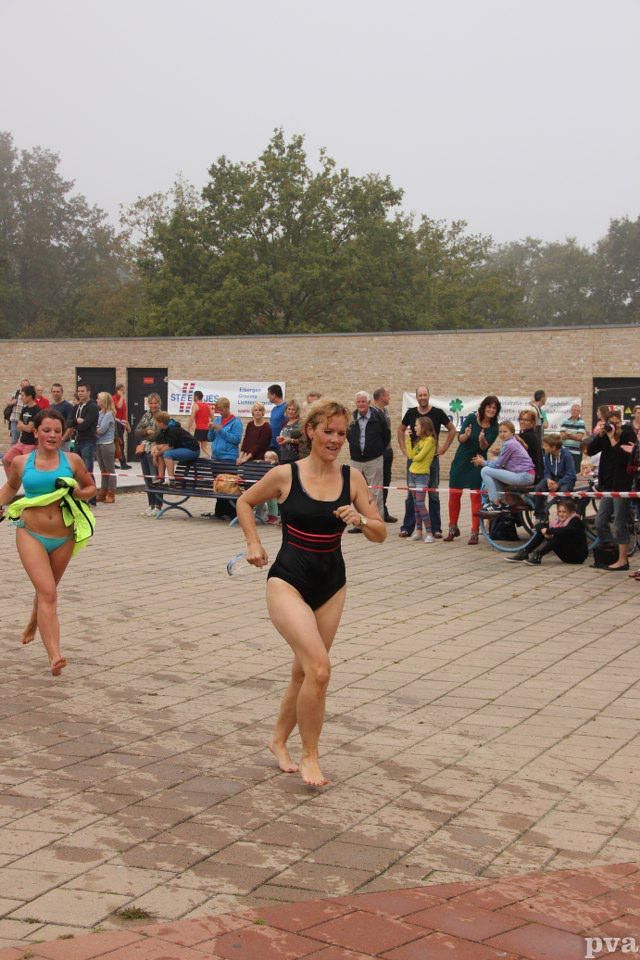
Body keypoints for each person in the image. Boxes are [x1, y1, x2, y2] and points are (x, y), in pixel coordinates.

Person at [235, 398, 386, 787]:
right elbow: (245, 501)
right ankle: (311, 756)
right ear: (311, 432)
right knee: (320, 669)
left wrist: (361, 519)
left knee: (304, 672)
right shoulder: (286, 474)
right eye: (328, 432)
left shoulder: (352, 479)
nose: (335, 440)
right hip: (287, 580)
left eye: (341, 433)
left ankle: (277, 740)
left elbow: (380, 533)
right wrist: (253, 544)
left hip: (332, 584)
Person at [0, 409, 96, 675]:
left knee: (47, 590)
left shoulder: (73, 460)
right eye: (46, 430)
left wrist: (78, 491)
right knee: (48, 592)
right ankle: (55, 655)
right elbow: (10, 487)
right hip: (30, 532)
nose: (52, 435)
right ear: (36, 432)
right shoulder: (21, 462)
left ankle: (33, 622)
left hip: (64, 537)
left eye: (57, 431)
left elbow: (91, 488)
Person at [397, 386, 456, 538]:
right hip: (413, 462)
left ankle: (435, 529)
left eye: (425, 395)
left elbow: (452, 429)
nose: (422, 397)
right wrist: (404, 449)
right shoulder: (411, 412)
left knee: (433, 494)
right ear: (416, 397)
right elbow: (400, 430)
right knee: (411, 495)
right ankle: (408, 528)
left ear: (429, 396)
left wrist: (443, 448)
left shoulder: (437, 412)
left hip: (431, 461)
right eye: (420, 395)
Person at [445, 395, 500, 544]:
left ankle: (475, 531)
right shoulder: (470, 418)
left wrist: (482, 438)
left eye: (494, 408)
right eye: (489, 406)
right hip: (461, 460)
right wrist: (466, 435)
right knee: (454, 494)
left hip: (477, 461)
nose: (491, 410)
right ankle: (452, 528)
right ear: (484, 407)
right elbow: (460, 439)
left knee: (475, 496)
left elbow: (484, 447)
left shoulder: (495, 427)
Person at [587, 410, 636, 571]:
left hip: (622, 485)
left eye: (616, 422)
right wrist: (600, 435)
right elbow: (590, 451)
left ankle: (623, 560)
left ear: (620, 422)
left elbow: (622, 457)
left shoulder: (628, 434)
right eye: (610, 423)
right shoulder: (604, 435)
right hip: (607, 485)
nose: (613, 426)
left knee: (619, 522)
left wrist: (612, 437)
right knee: (600, 521)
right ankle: (610, 553)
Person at [346, 391, 390, 529]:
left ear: (369, 402)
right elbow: (348, 434)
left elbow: (386, 435)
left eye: (363, 401)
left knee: (376, 492)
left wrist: (377, 449)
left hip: (374, 459)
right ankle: (358, 523)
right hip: (356, 460)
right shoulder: (351, 418)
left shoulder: (379, 416)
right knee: (356, 491)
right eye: (358, 402)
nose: (361, 404)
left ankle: (377, 522)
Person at [505, 499, 589, 566]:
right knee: (544, 530)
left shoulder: (575, 521)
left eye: (564, 512)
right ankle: (525, 552)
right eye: (559, 511)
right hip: (565, 556)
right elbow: (540, 526)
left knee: (559, 534)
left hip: (577, 557)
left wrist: (548, 531)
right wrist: (543, 530)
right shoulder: (558, 521)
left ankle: (539, 555)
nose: (561, 514)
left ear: (571, 513)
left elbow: (566, 530)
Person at [475, 420, 536, 511]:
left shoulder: (509, 444)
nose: (502, 434)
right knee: (490, 470)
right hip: (526, 475)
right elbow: (499, 463)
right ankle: (501, 501)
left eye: (505, 431)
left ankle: (495, 503)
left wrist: (483, 462)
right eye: (500, 432)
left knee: (485, 470)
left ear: (512, 432)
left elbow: (497, 465)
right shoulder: (512, 442)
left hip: (524, 476)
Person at [208, 397, 243, 519]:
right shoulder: (218, 419)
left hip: (228, 457)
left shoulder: (236, 422)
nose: (220, 413)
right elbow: (210, 438)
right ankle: (219, 512)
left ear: (227, 408)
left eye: (222, 410)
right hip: (216, 457)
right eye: (218, 410)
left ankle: (232, 512)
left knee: (228, 487)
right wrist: (211, 429)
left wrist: (221, 430)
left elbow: (236, 440)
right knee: (219, 486)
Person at [404, 416, 437, 542]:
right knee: (415, 504)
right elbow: (410, 455)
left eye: (417, 425)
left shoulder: (430, 440)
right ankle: (418, 531)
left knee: (420, 503)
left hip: (422, 475)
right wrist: (407, 439)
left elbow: (418, 457)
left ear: (424, 427)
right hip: (412, 473)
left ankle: (429, 533)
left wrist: (414, 456)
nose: (414, 428)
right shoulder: (419, 441)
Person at [533, 433, 576, 518]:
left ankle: (563, 516)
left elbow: (570, 474)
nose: (543, 447)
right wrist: (548, 479)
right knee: (538, 488)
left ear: (553, 447)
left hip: (566, 480)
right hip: (553, 479)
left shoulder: (567, 455)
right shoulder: (547, 455)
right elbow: (547, 471)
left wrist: (558, 484)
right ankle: (540, 515)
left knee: (562, 492)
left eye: (546, 446)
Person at [134, 393, 163, 517]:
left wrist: (147, 434)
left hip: (155, 450)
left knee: (155, 478)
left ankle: (158, 505)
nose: (153, 405)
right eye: (151, 403)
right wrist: (146, 431)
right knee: (147, 479)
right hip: (144, 450)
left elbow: (158, 434)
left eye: (155, 403)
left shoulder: (162, 416)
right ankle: (150, 504)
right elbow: (137, 431)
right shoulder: (146, 415)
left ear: (159, 403)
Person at [152, 412, 199, 481]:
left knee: (167, 454)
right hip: (183, 448)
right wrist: (155, 451)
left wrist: (157, 454)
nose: (156, 424)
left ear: (161, 423)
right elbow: (162, 445)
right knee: (162, 451)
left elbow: (170, 446)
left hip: (192, 450)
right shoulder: (165, 429)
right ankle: (160, 478)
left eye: (156, 422)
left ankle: (172, 480)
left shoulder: (172, 429)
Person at [373, 386, 396, 523]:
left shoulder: (385, 411)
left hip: (387, 451)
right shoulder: (373, 412)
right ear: (381, 397)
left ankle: (384, 510)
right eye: (387, 395)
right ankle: (375, 512)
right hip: (378, 453)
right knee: (376, 483)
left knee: (386, 482)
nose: (389, 398)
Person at [73, 384, 99, 505]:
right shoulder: (77, 406)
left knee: (87, 471)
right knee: (77, 471)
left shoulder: (92, 407)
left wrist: (78, 423)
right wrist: (76, 421)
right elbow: (69, 422)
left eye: (82, 391)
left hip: (88, 441)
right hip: (77, 441)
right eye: (78, 391)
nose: (80, 393)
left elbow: (85, 425)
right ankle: (81, 495)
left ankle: (92, 497)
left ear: (88, 392)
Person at [2, 386, 40, 468]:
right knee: (6, 460)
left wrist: (24, 426)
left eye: (23, 396)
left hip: (31, 444)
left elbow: (30, 429)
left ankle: (26, 481)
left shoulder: (37, 410)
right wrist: (25, 426)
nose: (21, 398)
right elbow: (18, 426)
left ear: (29, 396)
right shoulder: (24, 409)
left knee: (25, 466)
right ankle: (13, 481)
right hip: (22, 442)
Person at [95, 392, 117, 504]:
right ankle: (103, 491)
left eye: (98, 399)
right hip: (98, 444)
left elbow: (101, 430)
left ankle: (111, 493)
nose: (97, 400)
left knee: (110, 470)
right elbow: (97, 427)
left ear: (104, 401)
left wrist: (95, 428)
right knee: (103, 470)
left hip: (107, 444)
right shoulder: (100, 413)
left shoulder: (109, 414)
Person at [517, 409, 543, 482]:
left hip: (529, 474)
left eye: (526, 420)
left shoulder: (525, 436)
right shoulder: (533, 435)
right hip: (537, 474)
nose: (522, 422)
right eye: (520, 419)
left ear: (532, 423)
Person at [559, 402, 586, 469]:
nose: (575, 412)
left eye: (577, 410)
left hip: (576, 452)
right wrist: (573, 435)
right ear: (571, 411)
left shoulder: (581, 422)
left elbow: (579, 437)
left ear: (579, 412)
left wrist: (568, 434)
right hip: (565, 451)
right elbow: (562, 436)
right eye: (573, 410)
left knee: (575, 472)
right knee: (564, 471)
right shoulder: (565, 421)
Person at [50, 384, 75, 452]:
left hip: (64, 443)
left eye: (58, 392)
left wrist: (62, 440)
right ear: (51, 392)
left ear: (62, 393)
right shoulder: (51, 407)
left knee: (63, 461)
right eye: (54, 391)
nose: (56, 393)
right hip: (52, 441)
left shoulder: (68, 406)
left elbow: (71, 426)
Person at [112, 384, 131, 469]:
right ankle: (123, 463)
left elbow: (124, 413)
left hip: (122, 424)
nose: (123, 391)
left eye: (124, 390)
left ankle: (117, 463)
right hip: (116, 423)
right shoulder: (114, 398)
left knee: (118, 444)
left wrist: (127, 424)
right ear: (117, 390)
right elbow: (118, 407)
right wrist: (122, 396)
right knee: (119, 443)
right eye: (122, 390)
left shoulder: (122, 400)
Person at [188, 390, 213, 458]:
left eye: (193, 396)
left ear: (196, 397)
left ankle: (194, 460)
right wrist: (211, 423)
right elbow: (212, 415)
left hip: (199, 429)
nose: (193, 397)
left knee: (195, 446)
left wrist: (189, 428)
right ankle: (211, 457)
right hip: (206, 429)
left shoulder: (195, 405)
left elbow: (192, 417)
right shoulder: (207, 405)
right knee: (204, 447)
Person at [8, 378, 31, 444]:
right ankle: (14, 454)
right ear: (21, 385)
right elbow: (8, 402)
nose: (25, 387)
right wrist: (12, 402)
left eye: (26, 386)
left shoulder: (30, 395)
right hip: (15, 419)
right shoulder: (16, 393)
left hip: (26, 421)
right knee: (14, 440)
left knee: (25, 441)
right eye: (23, 385)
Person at [268, 384, 287, 452]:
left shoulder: (286, 407)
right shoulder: (274, 409)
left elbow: (288, 426)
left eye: (269, 394)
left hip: (281, 446)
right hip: (272, 445)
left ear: (274, 395)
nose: (268, 397)